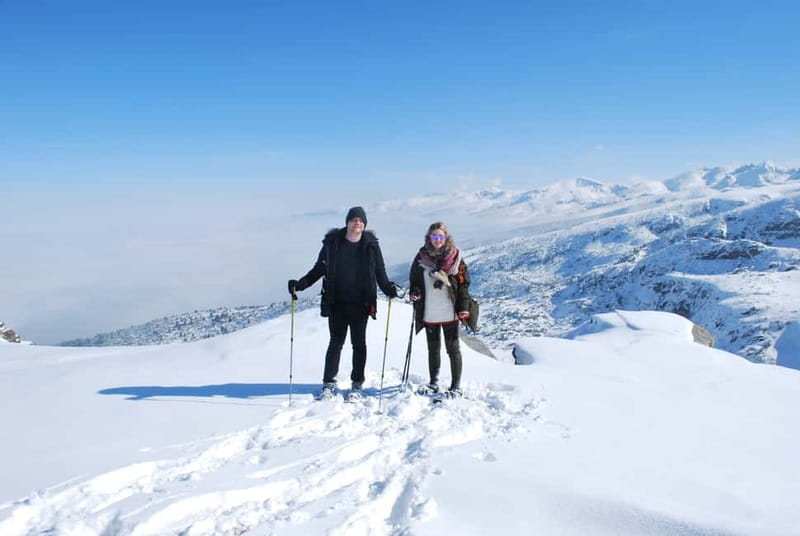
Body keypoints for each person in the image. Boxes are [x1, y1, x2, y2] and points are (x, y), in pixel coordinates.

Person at [289, 206, 399, 399]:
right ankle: (328, 384)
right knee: (336, 343)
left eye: (361, 220)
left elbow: (380, 272)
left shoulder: (371, 245)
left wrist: (388, 288)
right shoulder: (332, 244)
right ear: (347, 222)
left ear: (364, 225)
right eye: (354, 219)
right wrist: (300, 285)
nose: (357, 222)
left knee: (359, 344)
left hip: (361, 304)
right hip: (337, 303)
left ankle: (357, 384)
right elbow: (318, 270)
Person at [408, 222, 471, 398]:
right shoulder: (421, 257)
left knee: (453, 349)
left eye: (440, 237)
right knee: (433, 349)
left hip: (450, 310)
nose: (437, 240)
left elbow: (464, 284)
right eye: (434, 237)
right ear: (429, 238)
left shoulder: (456, 257)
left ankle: (455, 385)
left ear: (446, 238)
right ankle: (433, 382)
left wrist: (463, 307)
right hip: (429, 311)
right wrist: (414, 292)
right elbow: (413, 280)